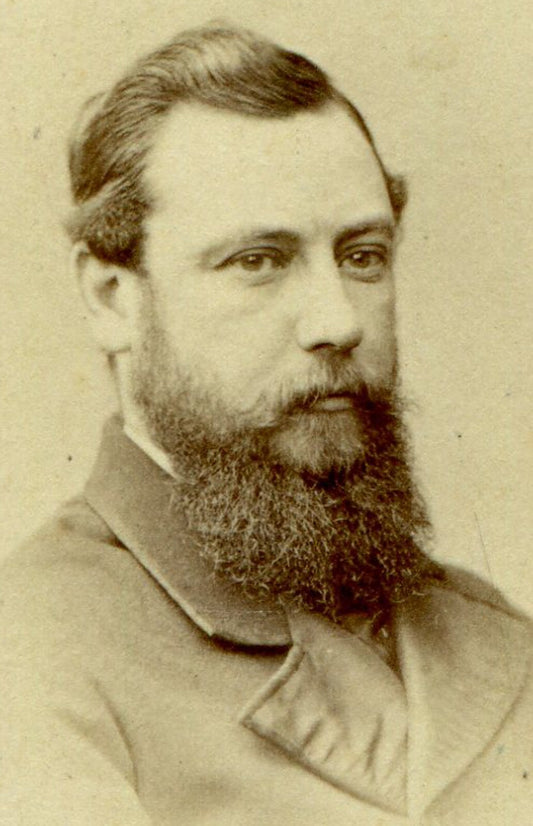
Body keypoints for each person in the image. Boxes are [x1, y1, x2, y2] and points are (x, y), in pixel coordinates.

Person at [0, 23, 530, 826]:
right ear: (112, 298)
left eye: (361, 256)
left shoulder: (496, 638)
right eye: (258, 261)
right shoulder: (31, 656)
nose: (337, 321)